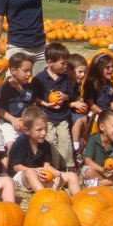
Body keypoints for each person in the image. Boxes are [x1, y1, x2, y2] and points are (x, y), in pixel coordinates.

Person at [7, 106, 80, 196]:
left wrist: (55, 172)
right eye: (39, 130)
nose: (44, 133)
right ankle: (45, 197)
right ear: (27, 130)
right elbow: (16, 167)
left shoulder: (45, 145)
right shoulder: (21, 141)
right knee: (30, 172)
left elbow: (46, 165)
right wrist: (34, 170)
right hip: (21, 179)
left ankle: (79, 198)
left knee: (72, 175)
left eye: (45, 128)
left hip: (39, 177)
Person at [31, 43, 76, 171]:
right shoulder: (39, 79)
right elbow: (34, 97)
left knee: (65, 139)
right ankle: (55, 167)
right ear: (50, 62)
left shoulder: (65, 79)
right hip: (47, 117)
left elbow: (71, 95)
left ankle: (68, 165)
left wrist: (65, 97)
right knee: (51, 141)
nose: (65, 66)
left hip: (62, 116)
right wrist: (46, 104)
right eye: (63, 63)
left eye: (66, 63)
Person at [83, 53, 113, 160]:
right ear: (98, 68)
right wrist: (103, 114)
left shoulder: (110, 84)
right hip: (96, 113)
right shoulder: (91, 83)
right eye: (107, 67)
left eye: (112, 67)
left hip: (108, 113)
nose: (111, 70)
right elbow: (91, 104)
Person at [0, 52, 35, 167]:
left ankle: (25, 165)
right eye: (25, 71)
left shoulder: (29, 87)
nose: (29, 74)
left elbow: (30, 105)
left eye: (30, 71)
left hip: (25, 122)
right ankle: (5, 170)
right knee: (11, 145)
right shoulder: (5, 88)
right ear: (13, 71)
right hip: (8, 122)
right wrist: (13, 120)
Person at [82, 110, 113, 187]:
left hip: (112, 173)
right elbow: (88, 161)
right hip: (97, 171)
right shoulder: (93, 139)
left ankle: (98, 184)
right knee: (88, 171)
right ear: (102, 127)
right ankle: (112, 182)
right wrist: (102, 170)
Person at [68, 53, 90, 165]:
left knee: (85, 118)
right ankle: (75, 147)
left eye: (84, 72)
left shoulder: (77, 85)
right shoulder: (65, 84)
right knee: (78, 120)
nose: (82, 75)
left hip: (73, 111)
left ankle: (81, 145)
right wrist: (73, 104)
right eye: (80, 72)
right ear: (70, 71)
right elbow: (61, 102)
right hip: (64, 111)